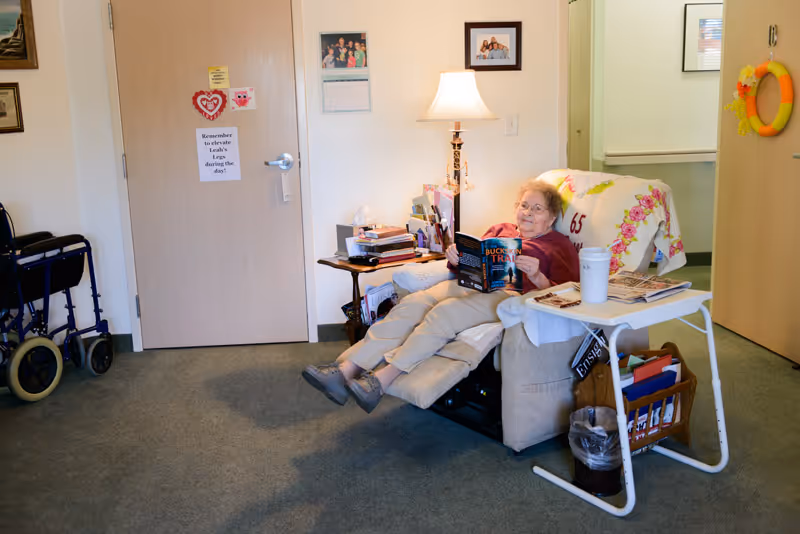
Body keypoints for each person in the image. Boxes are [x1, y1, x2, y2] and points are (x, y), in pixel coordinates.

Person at [302, 180, 580, 414]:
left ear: (552, 217)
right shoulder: (500, 230)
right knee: (414, 303)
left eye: (537, 208)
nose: (528, 213)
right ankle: (346, 370)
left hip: (508, 296)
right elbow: (472, 262)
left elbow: (570, 293)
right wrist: (455, 258)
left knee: (443, 314)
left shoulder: (558, 246)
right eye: (524, 206)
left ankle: (382, 380)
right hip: (470, 284)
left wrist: (540, 277)